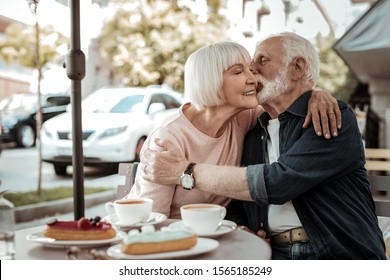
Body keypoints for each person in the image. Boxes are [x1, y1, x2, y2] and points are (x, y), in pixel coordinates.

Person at [140, 33, 387, 260]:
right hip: (266, 251)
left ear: (297, 67)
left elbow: (278, 182)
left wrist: (187, 172)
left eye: (262, 61)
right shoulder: (251, 126)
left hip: (336, 252)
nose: (253, 72)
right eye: (244, 69)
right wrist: (240, 226)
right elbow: (232, 201)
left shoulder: (330, 118)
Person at [129, 41, 340, 219]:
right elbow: (150, 220)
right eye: (238, 72)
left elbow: (287, 99)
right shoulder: (168, 139)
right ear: (210, 80)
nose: (253, 78)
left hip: (215, 237)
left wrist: (315, 93)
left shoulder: (243, 117)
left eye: (250, 69)